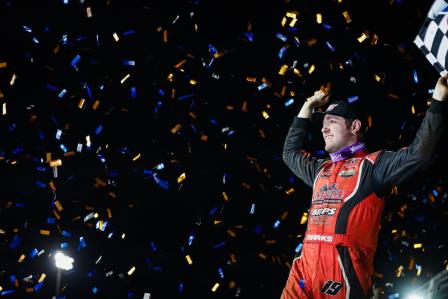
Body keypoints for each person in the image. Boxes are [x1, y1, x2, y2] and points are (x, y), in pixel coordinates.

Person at [280, 75, 448, 299]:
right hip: (304, 266)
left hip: (342, 267)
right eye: (322, 124)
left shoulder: (373, 166)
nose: (323, 129)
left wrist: (438, 100)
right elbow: (290, 153)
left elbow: (418, 154)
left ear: (355, 126)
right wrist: (307, 105)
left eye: (331, 121)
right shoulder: (320, 169)